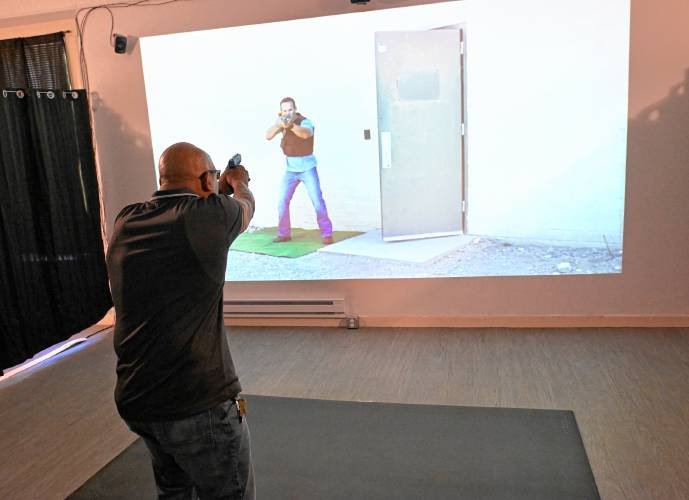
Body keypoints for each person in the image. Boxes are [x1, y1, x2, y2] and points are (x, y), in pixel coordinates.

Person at [106, 142, 256, 499]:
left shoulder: (127, 218)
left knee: (174, 490)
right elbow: (245, 208)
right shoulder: (213, 214)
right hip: (195, 402)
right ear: (207, 179)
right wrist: (238, 182)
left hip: (139, 398)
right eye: (213, 177)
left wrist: (213, 190)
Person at [265, 97, 334, 244]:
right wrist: (279, 125)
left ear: (295, 110)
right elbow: (268, 136)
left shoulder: (305, 121)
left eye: (290, 110)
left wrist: (290, 126)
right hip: (290, 170)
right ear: (281, 112)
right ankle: (284, 234)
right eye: (284, 110)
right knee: (282, 201)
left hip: (308, 168)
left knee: (317, 201)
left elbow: (305, 134)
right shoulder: (282, 121)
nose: (287, 113)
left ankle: (327, 234)